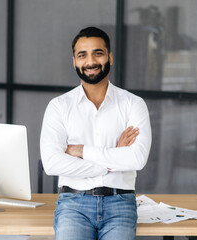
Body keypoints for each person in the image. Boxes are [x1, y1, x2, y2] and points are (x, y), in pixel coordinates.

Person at [40, 26, 152, 240]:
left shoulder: (133, 104)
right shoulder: (59, 106)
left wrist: (81, 150)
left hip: (120, 203)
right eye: (82, 55)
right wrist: (113, 157)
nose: (90, 61)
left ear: (110, 57)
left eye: (98, 53)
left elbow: (137, 159)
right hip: (73, 205)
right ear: (74, 61)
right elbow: (52, 163)